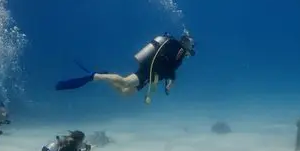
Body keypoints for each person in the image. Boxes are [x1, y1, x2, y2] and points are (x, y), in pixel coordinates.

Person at [55, 32, 196, 103]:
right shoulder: (179, 50)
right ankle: (95, 76)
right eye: (191, 45)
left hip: (150, 76)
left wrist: (167, 84)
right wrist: (170, 81)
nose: (191, 49)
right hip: (148, 71)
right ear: (186, 43)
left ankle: (106, 76)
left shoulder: (175, 48)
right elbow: (171, 69)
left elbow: (169, 70)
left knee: (125, 93)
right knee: (125, 82)